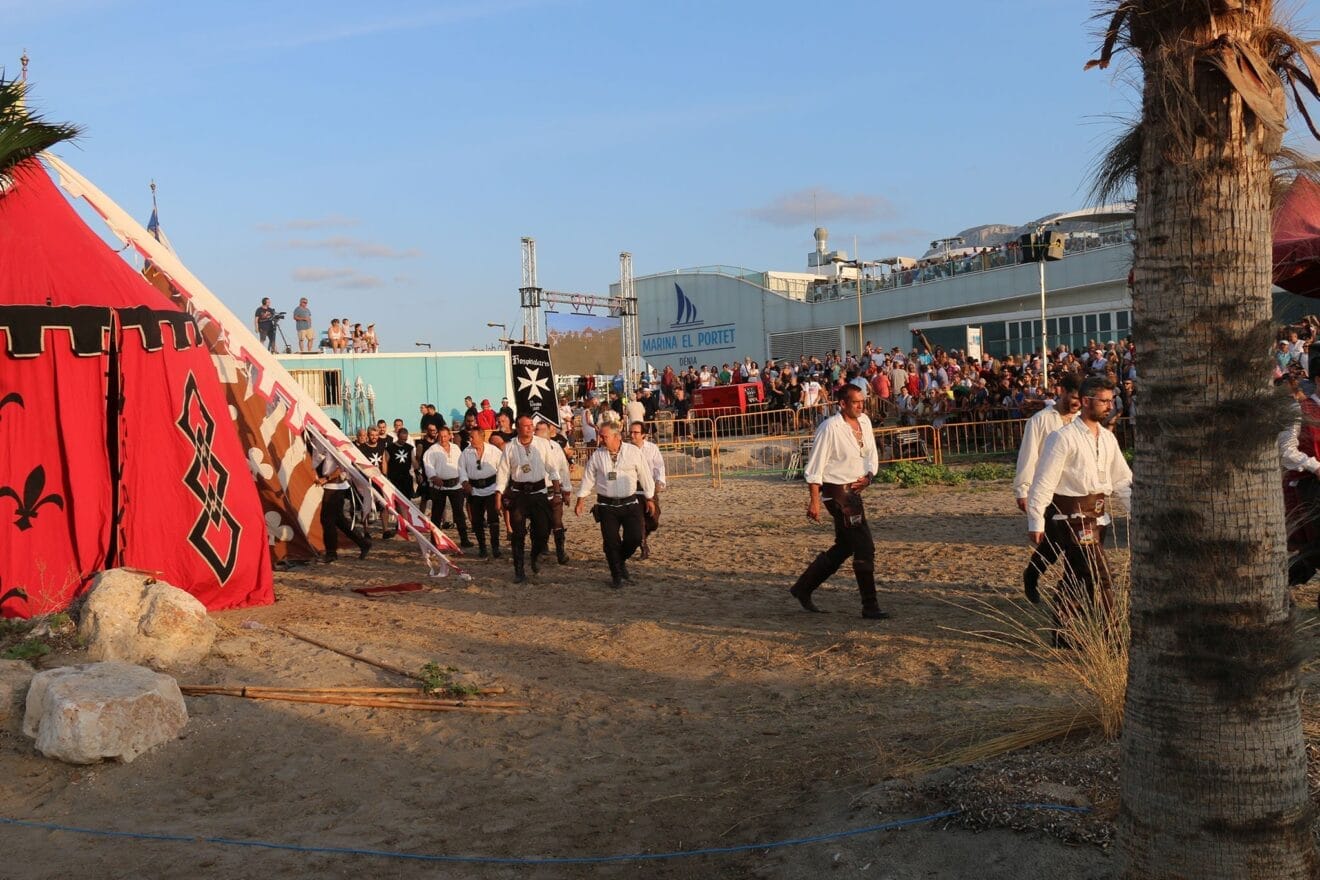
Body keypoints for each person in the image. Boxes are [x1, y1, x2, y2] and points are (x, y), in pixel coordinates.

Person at [1026, 377, 1133, 646]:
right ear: (1086, 402)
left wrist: (1136, 511)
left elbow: (1122, 479)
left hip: (1099, 517)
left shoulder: (1108, 438)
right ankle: (1113, 639)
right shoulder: (1061, 438)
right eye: (1104, 401)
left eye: (1111, 400)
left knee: (1076, 575)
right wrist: (1036, 519)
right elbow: (1044, 481)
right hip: (1070, 518)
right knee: (1102, 577)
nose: (1110, 406)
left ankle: (1063, 635)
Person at [788, 385, 888, 620]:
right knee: (864, 546)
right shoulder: (830, 427)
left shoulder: (865, 422)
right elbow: (815, 467)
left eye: (862, 401)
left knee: (845, 546)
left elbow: (871, 456)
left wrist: (869, 477)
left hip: (855, 491)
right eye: (855, 402)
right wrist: (814, 502)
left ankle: (803, 588)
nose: (861, 406)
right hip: (836, 493)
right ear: (842, 404)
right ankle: (870, 606)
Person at [1014, 374, 1082, 603]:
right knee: (1056, 542)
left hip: (1075, 490)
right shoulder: (1040, 420)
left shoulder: (1082, 419)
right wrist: (1022, 490)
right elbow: (1028, 456)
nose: (1077, 404)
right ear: (1061, 391)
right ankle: (1032, 575)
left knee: (1075, 542)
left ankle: (1065, 589)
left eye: (1081, 399)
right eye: (1073, 397)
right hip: (1047, 491)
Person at [574, 422, 656, 588]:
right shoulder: (597, 455)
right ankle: (616, 575)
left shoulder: (633, 452)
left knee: (635, 538)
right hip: (606, 505)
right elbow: (588, 478)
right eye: (601, 436)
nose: (601, 439)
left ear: (617, 436)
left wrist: (649, 498)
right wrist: (581, 499)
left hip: (630, 503)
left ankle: (619, 560)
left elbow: (645, 475)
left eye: (605, 436)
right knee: (611, 542)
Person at [494, 415, 560, 583]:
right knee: (518, 533)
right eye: (526, 426)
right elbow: (503, 473)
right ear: (518, 428)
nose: (530, 428)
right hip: (519, 494)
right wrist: (498, 496)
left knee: (543, 530)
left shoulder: (543, 444)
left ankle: (534, 556)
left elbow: (553, 469)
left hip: (539, 493)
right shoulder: (509, 447)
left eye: (532, 425)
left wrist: (557, 492)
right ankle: (519, 569)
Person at [1280, 377, 1320, 589]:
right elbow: (1286, 451)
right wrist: (1315, 466)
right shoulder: (1299, 410)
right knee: (1311, 551)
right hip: (1308, 485)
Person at [312, 440, 371, 562]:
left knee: (327, 520)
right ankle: (363, 543)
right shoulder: (326, 446)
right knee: (339, 521)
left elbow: (341, 468)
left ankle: (331, 553)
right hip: (332, 487)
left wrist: (326, 478)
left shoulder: (338, 448)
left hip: (335, 487)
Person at [423, 426, 472, 548]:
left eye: (445, 436)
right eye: (440, 436)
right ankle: (435, 540)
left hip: (456, 485)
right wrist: (434, 477)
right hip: (439, 486)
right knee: (437, 513)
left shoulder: (455, 448)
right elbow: (428, 465)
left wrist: (464, 480)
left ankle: (464, 539)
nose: (443, 438)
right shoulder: (432, 450)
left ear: (450, 435)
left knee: (459, 513)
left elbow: (461, 465)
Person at [534, 419, 574, 564]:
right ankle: (541, 548)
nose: (536, 433)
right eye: (536, 429)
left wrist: (566, 491)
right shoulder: (529, 448)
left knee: (557, 522)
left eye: (539, 430)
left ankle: (560, 551)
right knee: (540, 523)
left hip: (553, 490)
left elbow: (563, 469)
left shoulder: (556, 447)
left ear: (548, 432)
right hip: (537, 492)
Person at [461, 428, 503, 559]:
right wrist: (464, 482)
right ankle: (482, 547)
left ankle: (495, 547)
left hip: (491, 488)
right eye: (470, 437)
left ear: (481, 437)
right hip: (474, 490)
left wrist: (500, 489)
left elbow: (502, 469)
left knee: (493, 518)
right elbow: (461, 469)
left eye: (473, 437)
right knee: (477, 520)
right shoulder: (466, 452)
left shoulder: (494, 451)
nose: (470, 439)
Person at [628, 422, 666, 560]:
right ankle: (643, 545)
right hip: (632, 488)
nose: (632, 435)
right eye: (631, 432)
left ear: (643, 434)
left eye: (635, 432)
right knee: (639, 520)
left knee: (654, 519)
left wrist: (659, 482)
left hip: (649, 487)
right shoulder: (626, 449)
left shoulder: (652, 448)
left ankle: (644, 533)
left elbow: (659, 467)